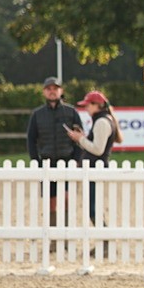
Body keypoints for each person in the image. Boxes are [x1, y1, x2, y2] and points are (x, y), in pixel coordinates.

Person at [26, 76, 83, 231]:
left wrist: (76, 160)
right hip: (47, 161)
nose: (52, 92)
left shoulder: (71, 112)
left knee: (66, 198)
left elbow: (80, 138)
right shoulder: (37, 114)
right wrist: (35, 161)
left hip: (67, 161)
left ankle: (65, 232)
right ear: (44, 92)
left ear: (60, 91)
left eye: (55, 89)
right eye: (49, 89)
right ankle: (52, 234)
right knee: (50, 200)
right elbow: (31, 139)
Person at [65, 90, 124, 225]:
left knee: (93, 209)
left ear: (97, 105)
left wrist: (80, 139)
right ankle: (103, 242)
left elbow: (98, 149)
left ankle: (105, 241)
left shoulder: (101, 122)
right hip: (96, 168)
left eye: (88, 105)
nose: (86, 108)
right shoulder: (104, 120)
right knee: (93, 207)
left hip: (95, 169)